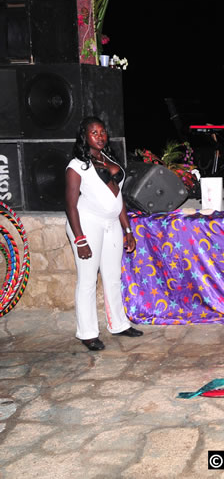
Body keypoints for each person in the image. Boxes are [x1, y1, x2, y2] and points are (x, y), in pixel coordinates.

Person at [65, 117, 142, 351]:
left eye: (102, 132)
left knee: (113, 276)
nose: (100, 136)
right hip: (87, 224)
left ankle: (118, 324)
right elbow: (70, 206)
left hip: (112, 223)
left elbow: (117, 198)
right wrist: (80, 239)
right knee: (88, 280)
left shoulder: (109, 159)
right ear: (84, 136)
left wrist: (127, 229)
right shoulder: (76, 166)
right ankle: (87, 333)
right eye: (94, 132)